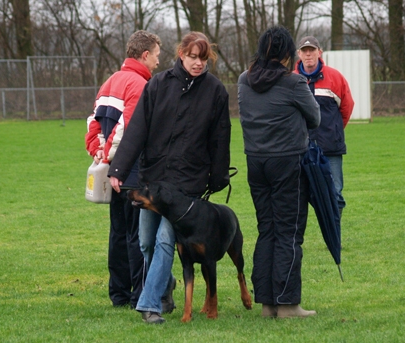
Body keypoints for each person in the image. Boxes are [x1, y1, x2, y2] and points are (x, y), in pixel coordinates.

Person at [108, 31, 231, 324]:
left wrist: (218, 177)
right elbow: (137, 129)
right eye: (192, 57)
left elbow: (220, 138)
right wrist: (118, 169)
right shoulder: (158, 85)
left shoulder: (215, 91)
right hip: (153, 179)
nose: (198, 63)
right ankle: (166, 285)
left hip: (187, 185)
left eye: (203, 58)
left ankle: (150, 305)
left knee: (165, 241)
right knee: (146, 243)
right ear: (181, 54)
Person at [238, 26, 320, 318]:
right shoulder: (294, 82)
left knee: (267, 230)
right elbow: (315, 117)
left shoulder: (244, 80)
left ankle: (267, 304)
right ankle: (287, 304)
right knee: (289, 232)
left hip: (255, 163)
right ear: (287, 53)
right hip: (287, 162)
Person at [85, 30, 162, 309]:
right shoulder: (139, 84)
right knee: (136, 236)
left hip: (111, 170)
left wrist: (100, 153)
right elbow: (128, 130)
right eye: (155, 56)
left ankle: (118, 292)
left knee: (117, 233)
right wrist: (118, 163)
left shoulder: (109, 82)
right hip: (131, 172)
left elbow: (93, 124)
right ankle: (137, 295)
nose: (157, 62)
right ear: (144, 55)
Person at [294, 36, 354, 218]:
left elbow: (347, 107)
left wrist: (334, 131)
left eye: (312, 50)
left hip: (330, 147)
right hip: (300, 148)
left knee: (335, 194)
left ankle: (334, 237)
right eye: (304, 51)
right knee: (298, 195)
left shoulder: (335, 77)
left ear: (319, 52)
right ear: (299, 54)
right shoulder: (292, 80)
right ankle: (296, 243)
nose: (308, 54)